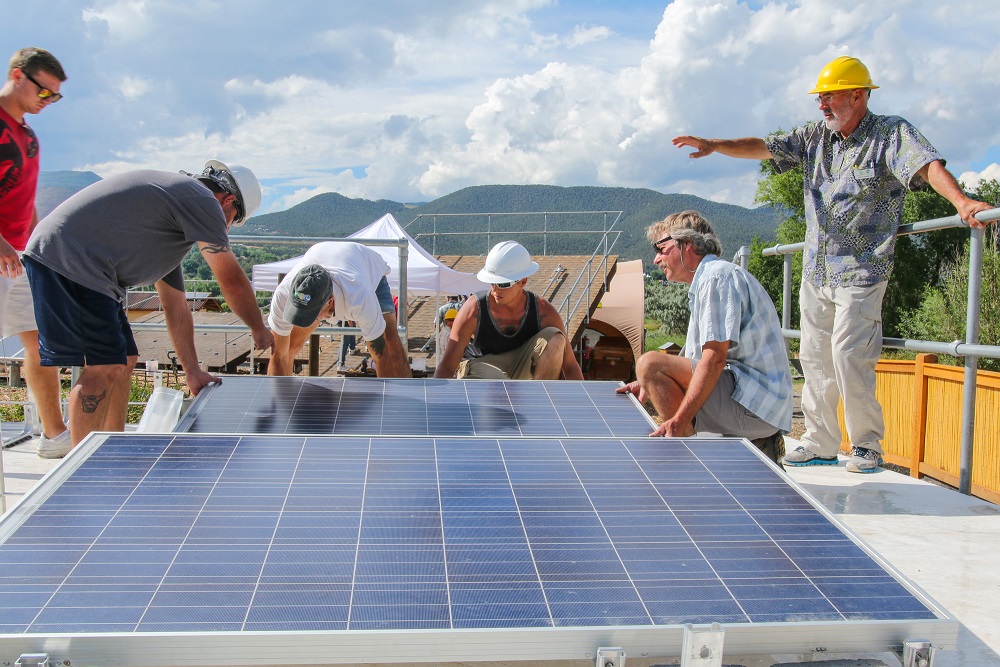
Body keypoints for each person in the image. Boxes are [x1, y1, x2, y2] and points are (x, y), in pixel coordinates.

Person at [672, 55, 994, 473]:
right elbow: (765, 148)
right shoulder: (814, 137)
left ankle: (866, 444)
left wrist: (963, 202)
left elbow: (927, 165)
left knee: (848, 353)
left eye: (830, 98)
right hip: (817, 269)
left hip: (862, 270)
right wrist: (716, 146)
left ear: (858, 95)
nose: (822, 106)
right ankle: (821, 440)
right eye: (820, 99)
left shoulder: (890, 134)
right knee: (814, 356)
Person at [23, 160, 275, 449]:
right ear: (227, 200)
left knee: (125, 359)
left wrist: (191, 371)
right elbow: (230, 279)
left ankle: (111, 450)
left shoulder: (168, 225)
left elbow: (176, 307)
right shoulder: (202, 199)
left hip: (86, 269)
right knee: (104, 365)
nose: (226, 229)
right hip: (71, 261)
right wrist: (258, 327)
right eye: (232, 220)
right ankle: (84, 472)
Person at [616, 211, 792, 461]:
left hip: (756, 407)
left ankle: (689, 466)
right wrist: (649, 382)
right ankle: (753, 447)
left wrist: (680, 420)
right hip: (755, 402)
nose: (656, 260)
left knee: (650, 363)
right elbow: (695, 361)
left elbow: (714, 358)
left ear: (686, 244)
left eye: (661, 248)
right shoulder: (708, 280)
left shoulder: (716, 277)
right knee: (652, 370)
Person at [0, 47, 69, 457]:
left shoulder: (27, 137)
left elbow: (25, 203)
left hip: (20, 260)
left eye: (54, 98)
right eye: (44, 93)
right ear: (18, 75)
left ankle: (54, 435)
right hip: (2, 252)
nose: (47, 103)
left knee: (42, 344)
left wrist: (38, 244)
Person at [435, 241, 584, 380]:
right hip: (483, 369)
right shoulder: (473, 309)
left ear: (523, 282)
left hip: (522, 368)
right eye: (492, 282)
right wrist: (434, 401)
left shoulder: (543, 311)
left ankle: (540, 400)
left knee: (556, 339)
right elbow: (448, 365)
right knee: (496, 381)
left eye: (503, 284)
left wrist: (584, 404)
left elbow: (570, 365)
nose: (495, 289)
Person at [266, 241, 411, 378]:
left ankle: (406, 399)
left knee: (392, 344)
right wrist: (279, 403)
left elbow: (380, 355)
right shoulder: (282, 296)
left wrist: (387, 403)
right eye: (298, 311)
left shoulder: (360, 298)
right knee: (288, 347)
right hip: (325, 259)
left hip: (368, 272)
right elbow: (278, 356)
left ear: (329, 303)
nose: (303, 318)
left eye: (309, 315)